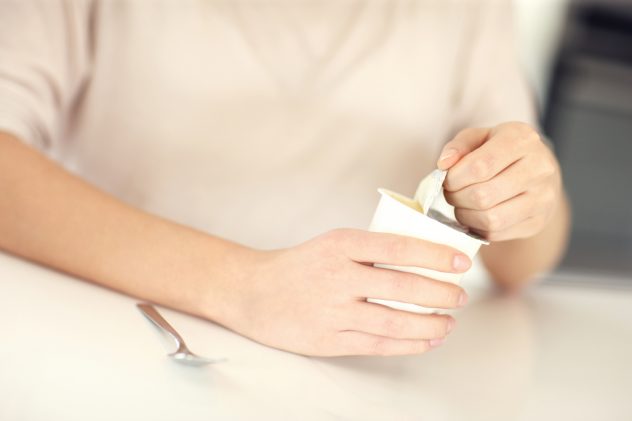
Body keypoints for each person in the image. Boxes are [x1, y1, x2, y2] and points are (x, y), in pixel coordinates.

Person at [0, 0, 570, 357]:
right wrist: (241, 285)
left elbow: (523, 262)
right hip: (104, 345)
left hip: (353, 381)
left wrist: (519, 192)